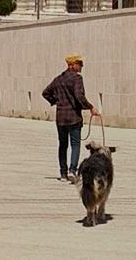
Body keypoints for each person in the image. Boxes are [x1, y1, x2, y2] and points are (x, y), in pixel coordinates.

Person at [42, 54, 100, 183]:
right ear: (71, 65)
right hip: (73, 117)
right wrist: (90, 107)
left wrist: (56, 102)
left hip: (61, 117)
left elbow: (45, 92)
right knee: (75, 144)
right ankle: (72, 171)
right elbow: (79, 95)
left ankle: (63, 173)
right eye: (79, 64)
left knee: (63, 145)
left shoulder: (58, 79)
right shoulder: (77, 78)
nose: (81, 66)